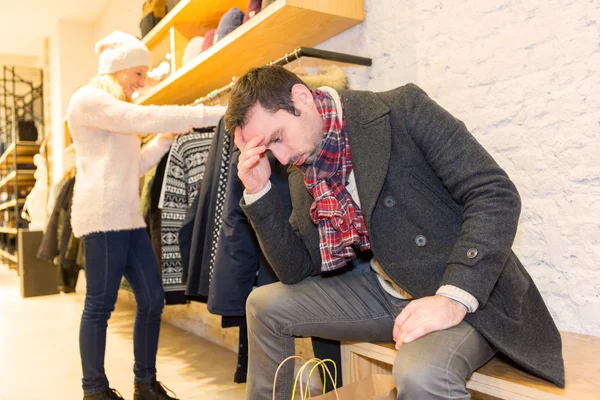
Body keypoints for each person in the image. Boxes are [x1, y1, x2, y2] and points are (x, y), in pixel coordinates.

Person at [224, 65, 565, 400]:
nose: (281, 158)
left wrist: (452, 298)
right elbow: (295, 269)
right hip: (387, 288)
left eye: (278, 138)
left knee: (421, 376)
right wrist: (259, 191)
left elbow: (494, 193)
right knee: (262, 305)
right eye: (269, 150)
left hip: (462, 288)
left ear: (302, 99)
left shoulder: (402, 109)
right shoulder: (308, 162)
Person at [67, 31, 226, 400]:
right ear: (117, 69)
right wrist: (213, 113)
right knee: (100, 305)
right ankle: (94, 390)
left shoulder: (116, 111)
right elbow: (140, 118)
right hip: (103, 219)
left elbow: (134, 166)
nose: (142, 82)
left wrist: (166, 139)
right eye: (138, 73)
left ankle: (145, 384)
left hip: (128, 219)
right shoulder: (87, 100)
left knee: (153, 299)